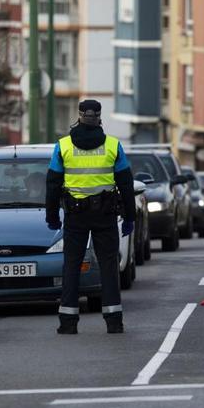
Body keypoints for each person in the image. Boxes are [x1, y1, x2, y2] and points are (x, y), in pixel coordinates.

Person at [45, 99, 135, 334]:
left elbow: (53, 184)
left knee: (72, 266)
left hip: (75, 216)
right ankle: (114, 322)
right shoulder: (113, 146)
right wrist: (129, 217)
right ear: (99, 117)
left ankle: (68, 323)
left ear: (79, 116)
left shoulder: (63, 146)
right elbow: (126, 184)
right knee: (108, 267)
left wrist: (52, 216)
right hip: (105, 215)